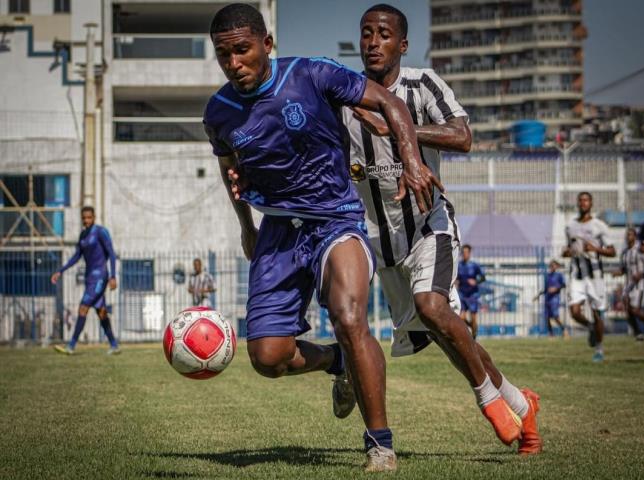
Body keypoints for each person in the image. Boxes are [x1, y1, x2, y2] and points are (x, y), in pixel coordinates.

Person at [202, 4, 439, 471]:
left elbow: (390, 104)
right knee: (268, 358)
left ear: (267, 45)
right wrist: (246, 226)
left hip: (336, 219)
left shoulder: (311, 74)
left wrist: (413, 162)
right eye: (224, 55)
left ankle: (379, 444)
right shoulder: (219, 112)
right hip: (277, 230)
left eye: (243, 51)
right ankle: (337, 363)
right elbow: (229, 167)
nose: (234, 64)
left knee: (349, 316)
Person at [341, 4, 541, 455]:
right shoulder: (345, 98)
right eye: (366, 33)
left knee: (432, 306)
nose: (373, 42)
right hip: (380, 241)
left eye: (384, 34)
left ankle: (490, 402)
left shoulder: (423, 83)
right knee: (448, 333)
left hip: (430, 225)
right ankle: (520, 403)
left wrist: (398, 129)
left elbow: (462, 136)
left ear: (402, 44)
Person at [51, 206, 120, 355]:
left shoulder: (101, 232)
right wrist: (60, 271)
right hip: (90, 279)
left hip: (100, 276)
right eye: (84, 218)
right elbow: (76, 256)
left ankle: (71, 346)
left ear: (94, 217)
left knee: (83, 308)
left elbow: (111, 254)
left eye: (89, 218)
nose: (86, 221)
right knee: (101, 312)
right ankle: (114, 345)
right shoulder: (83, 235)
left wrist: (113, 276)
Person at [562, 192, 615, 362]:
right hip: (577, 275)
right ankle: (590, 327)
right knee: (574, 311)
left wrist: (596, 249)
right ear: (578, 203)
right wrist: (567, 252)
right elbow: (566, 249)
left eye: (586, 200)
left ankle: (599, 349)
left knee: (597, 312)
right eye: (580, 200)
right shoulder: (570, 226)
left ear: (591, 203)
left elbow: (612, 251)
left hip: (595, 276)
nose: (583, 203)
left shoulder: (599, 225)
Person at [613, 227, 644, 340]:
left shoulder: (640, 249)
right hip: (629, 284)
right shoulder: (624, 252)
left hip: (640, 283)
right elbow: (623, 269)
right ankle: (638, 333)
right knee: (628, 309)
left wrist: (642, 273)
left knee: (635, 310)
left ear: (635, 236)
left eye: (630, 234)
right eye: (627, 235)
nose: (628, 237)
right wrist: (616, 273)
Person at [457, 244, 485, 339]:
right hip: (462, 294)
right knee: (461, 318)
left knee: (473, 318)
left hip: (473, 295)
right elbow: (456, 278)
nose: (464, 254)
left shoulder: (474, 266)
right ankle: (471, 327)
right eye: (463, 252)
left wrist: (476, 281)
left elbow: (483, 277)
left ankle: (474, 334)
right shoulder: (459, 266)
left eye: (466, 252)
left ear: (469, 253)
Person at [533, 260, 567, 337]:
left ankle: (564, 330)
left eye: (553, 265)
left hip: (555, 298)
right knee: (547, 317)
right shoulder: (547, 276)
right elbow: (545, 289)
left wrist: (556, 288)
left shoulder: (559, 275)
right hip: (547, 298)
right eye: (551, 265)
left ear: (557, 266)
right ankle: (551, 334)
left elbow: (564, 285)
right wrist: (538, 295)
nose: (552, 267)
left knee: (555, 316)